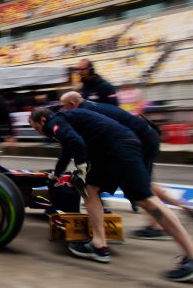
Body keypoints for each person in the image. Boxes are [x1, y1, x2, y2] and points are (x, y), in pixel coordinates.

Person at [29, 107, 193, 282]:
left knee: (147, 201)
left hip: (119, 147)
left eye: (36, 128)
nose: (38, 132)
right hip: (109, 150)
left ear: (43, 120)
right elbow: (68, 150)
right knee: (90, 189)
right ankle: (99, 246)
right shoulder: (66, 120)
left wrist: (82, 167)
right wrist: (56, 174)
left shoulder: (55, 122)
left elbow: (75, 142)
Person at [60, 91, 193, 240]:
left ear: (72, 104)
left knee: (143, 186)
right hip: (145, 135)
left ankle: (157, 227)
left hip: (140, 139)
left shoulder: (83, 112)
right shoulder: (94, 106)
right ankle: (183, 207)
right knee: (146, 182)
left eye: (64, 107)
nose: (63, 112)